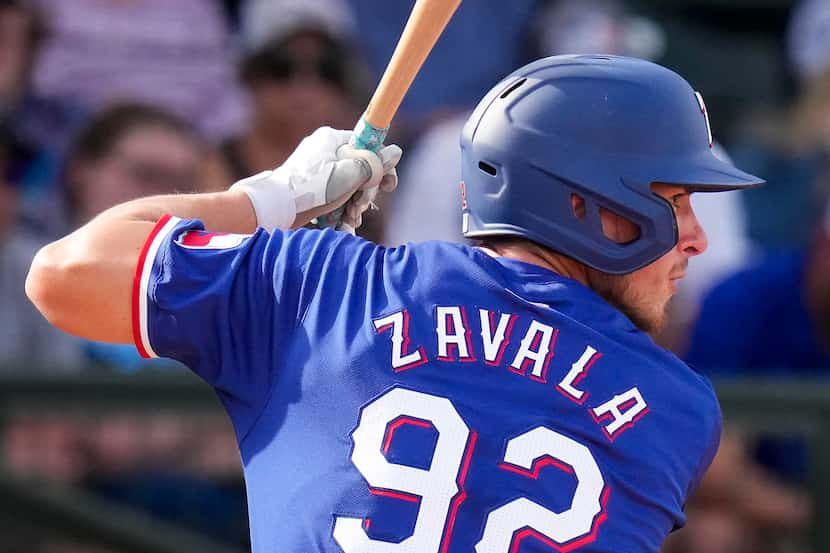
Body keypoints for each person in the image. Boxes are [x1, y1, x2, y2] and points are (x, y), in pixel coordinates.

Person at [26, 56, 763, 552]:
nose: (695, 239)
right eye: (672, 201)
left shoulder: (326, 286)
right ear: (581, 204)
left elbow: (62, 275)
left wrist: (274, 197)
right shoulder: (675, 410)